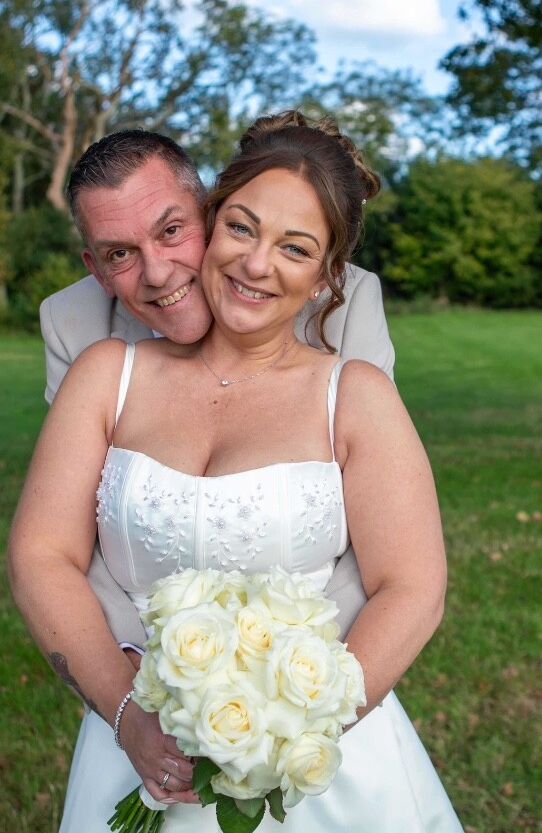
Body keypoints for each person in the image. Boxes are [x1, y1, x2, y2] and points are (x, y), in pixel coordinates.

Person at [9, 111, 471, 833]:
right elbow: (43, 554)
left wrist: (284, 726)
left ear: (328, 278)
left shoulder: (353, 393)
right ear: (216, 222)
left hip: (319, 758)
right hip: (140, 733)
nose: (256, 264)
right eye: (243, 230)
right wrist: (132, 713)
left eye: (294, 247)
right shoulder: (104, 371)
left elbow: (411, 583)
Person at [40, 129, 394, 649]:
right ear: (97, 268)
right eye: (120, 254)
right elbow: (76, 528)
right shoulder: (74, 325)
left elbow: (380, 526)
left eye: (172, 231)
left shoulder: (341, 300)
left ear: (209, 211)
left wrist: (291, 676)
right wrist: (142, 666)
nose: (158, 274)